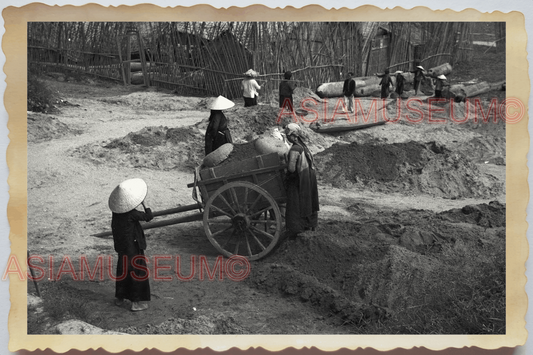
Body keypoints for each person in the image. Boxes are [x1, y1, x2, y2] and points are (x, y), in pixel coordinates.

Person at [109, 178, 154, 312]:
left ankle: (119, 298)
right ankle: (136, 303)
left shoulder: (116, 213)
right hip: (133, 247)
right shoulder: (132, 214)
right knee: (137, 272)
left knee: (122, 271)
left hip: (122, 247)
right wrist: (144, 203)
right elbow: (148, 216)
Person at [284, 123, 319, 237]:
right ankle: (309, 224)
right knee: (309, 201)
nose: (287, 137)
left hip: (299, 179)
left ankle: (296, 228)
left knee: (295, 203)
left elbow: (291, 168)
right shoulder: (304, 147)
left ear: (292, 135)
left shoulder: (295, 149)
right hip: (309, 176)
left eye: (287, 135)